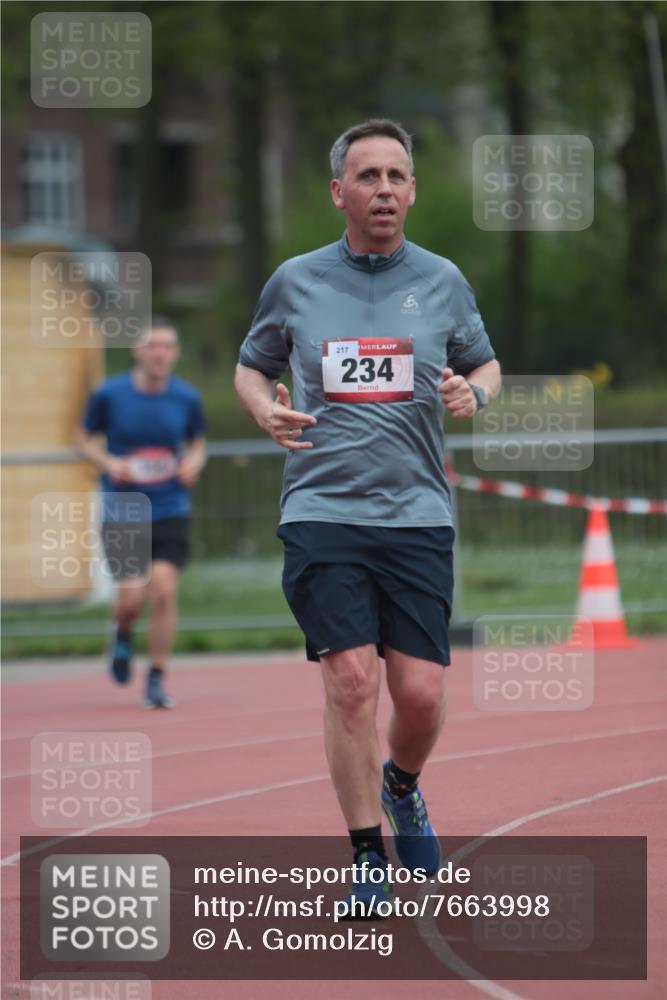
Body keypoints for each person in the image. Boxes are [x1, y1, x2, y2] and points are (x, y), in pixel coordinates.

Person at [234, 119, 501, 914]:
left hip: (417, 512)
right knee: (351, 681)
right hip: (321, 507)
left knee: (417, 695)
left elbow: (484, 362)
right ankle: (365, 857)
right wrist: (262, 412)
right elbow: (252, 368)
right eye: (368, 176)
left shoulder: (444, 280)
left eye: (395, 175)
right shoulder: (295, 281)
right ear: (338, 192)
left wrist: (474, 391)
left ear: (412, 190)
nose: (383, 189)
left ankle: (403, 784)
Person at [76, 317, 207, 708]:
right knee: (132, 600)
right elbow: (83, 439)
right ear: (137, 351)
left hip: (170, 506)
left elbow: (197, 441)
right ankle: (121, 632)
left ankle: (156, 676)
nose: (159, 353)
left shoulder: (186, 398)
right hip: (124, 507)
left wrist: (195, 463)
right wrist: (107, 461)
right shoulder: (111, 395)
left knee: (164, 592)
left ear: (175, 353)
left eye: (166, 346)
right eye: (152, 345)